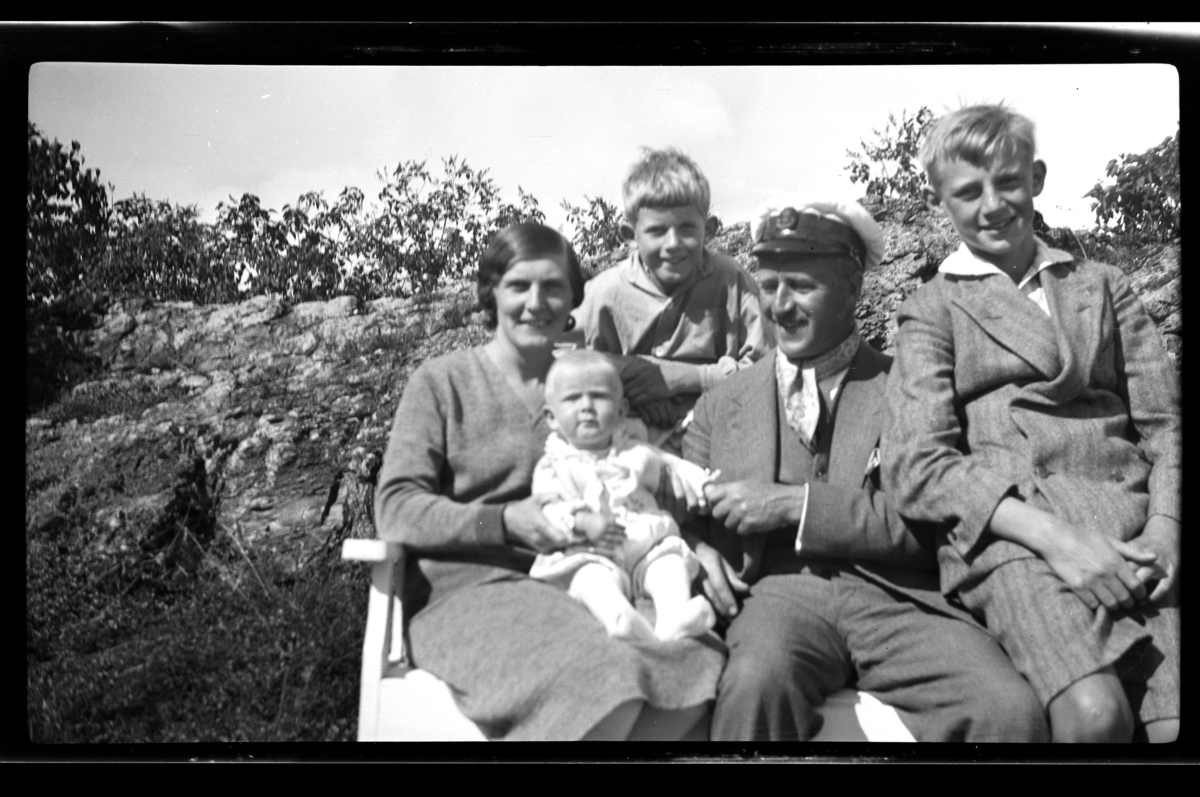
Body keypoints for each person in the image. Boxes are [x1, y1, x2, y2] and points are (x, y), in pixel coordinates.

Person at [683, 195, 1048, 742]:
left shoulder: (915, 389)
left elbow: (944, 522)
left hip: (902, 598)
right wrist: (695, 546)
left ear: (853, 289)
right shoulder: (720, 404)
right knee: (755, 685)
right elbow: (681, 504)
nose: (779, 306)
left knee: (1008, 712)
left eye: (801, 286)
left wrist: (797, 505)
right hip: (778, 596)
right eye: (769, 284)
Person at [882, 104, 1180, 743]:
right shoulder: (933, 309)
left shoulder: (1102, 285)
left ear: (1036, 177)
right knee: (1096, 718)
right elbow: (915, 466)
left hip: (1134, 528)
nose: (992, 205)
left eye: (1008, 182)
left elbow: (1165, 423)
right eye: (968, 192)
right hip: (1015, 540)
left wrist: (1167, 526)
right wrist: (1057, 540)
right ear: (942, 202)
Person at [373, 223, 724, 741]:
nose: (537, 302)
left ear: (572, 298)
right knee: (604, 677)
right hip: (473, 593)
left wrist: (693, 540)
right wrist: (505, 521)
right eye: (519, 286)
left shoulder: (598, 380)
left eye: (553, 287)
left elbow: (646, 470)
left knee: (698, 661)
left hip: (597, 580)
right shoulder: (443, 382)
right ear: (491, 292)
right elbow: (397, 508)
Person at [568, 147, 770, 448]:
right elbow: (572, 364)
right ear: (630, 235)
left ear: (711, 229)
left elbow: (767, 372)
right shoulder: (606, 292)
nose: (673, 244)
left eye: (687, 229)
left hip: (720, 431)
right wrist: (629, 387)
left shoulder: (729, 280)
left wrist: (690, 378)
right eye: (657, 231)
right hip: (625, 440)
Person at [529, 349, 719, 643]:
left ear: (620, 411)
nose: (586, 407)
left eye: (599, 397)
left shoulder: (636, 453)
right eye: (572, 399)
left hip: (645, 547)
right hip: (590, 551)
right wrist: (582, 521)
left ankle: (674, 617)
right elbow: (547, 509)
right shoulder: (554, 465)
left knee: (669, 566)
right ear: (551, 418)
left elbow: (675, 467)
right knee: (591, 580)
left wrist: (703, 486)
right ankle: (619, 617)